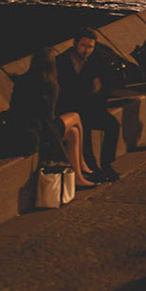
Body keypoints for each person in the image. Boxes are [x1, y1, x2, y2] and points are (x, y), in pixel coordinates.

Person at [9, 50, 99, 189]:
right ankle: (82, 164)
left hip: (26, 128)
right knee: (75, 116)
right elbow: (49, 117)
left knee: (74, 133)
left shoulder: (22, 80)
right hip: (41, 130)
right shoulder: (49, 85)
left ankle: (78, 177)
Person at [58, 31, 124, 181]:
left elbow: (107, 84)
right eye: (83, 46)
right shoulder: (62, 61)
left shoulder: (96, 59)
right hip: (71, 109)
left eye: (90, 47)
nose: (87, 50)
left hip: (90, 106)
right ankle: (92, 167)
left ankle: (106, 164)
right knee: (84, 128)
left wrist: (98, 92)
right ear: (75, 43)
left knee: (112, 125)